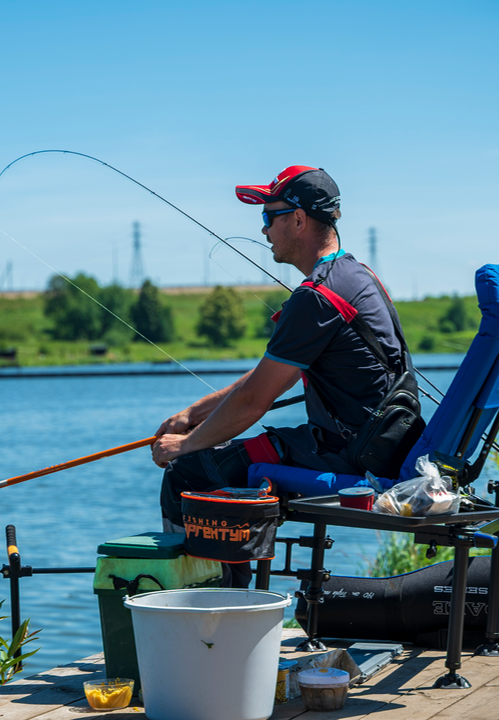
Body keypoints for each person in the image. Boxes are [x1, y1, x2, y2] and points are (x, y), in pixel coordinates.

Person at [152, 165, 408, 587]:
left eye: (269, 217)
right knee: (213, 453)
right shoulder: (357, 277)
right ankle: (229, 595)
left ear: (299, 220)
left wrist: (186, 445)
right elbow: (263, 381)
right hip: (378, 441)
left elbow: (254, 402)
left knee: (190, 472)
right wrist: (191, 415)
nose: (265, 229)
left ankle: (211, 610)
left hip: (349, 453)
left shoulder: (317, 298)